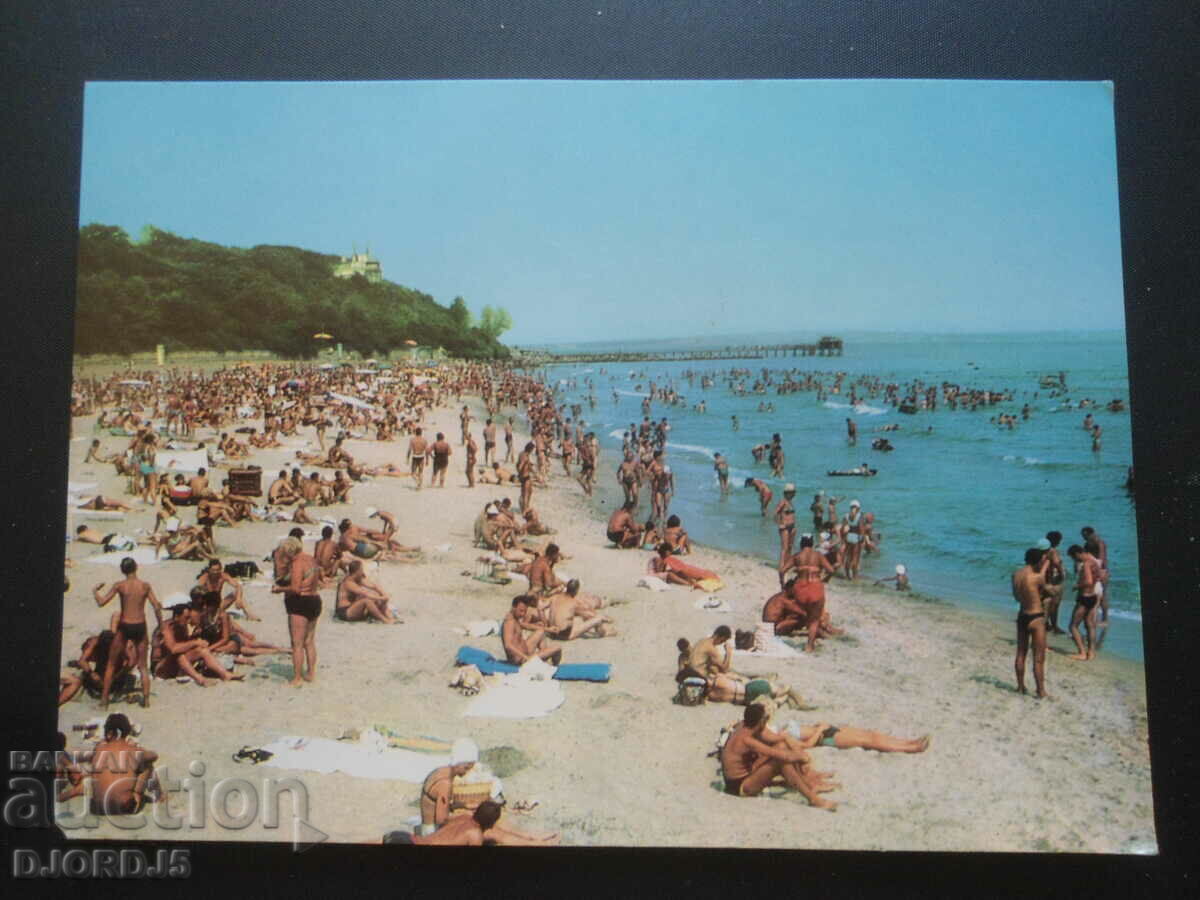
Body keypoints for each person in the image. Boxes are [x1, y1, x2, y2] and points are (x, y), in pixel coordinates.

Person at [718, 703, 836, 810]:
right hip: (740, 786)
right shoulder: (747, 740)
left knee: (781, 746)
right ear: (761, 722)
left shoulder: (744, 725)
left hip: (746, 773)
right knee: (781, 762)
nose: (768, 720)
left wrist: (786, 740)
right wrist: (802, 757)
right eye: (766, 718)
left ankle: (809, 784)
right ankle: (813, 799)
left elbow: (774, 739)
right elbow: (780, 756)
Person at [93, 558, 163, 708]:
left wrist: (95, 591)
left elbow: (101, 602)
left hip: (125, 625)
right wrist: (161, 624)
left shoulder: (120, 586)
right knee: (143, 666)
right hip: (140, 625)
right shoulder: (145, 586)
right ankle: (146, 700)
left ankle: (104, 699)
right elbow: (156, 606)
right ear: (136, 568)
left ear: (123, 570)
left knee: (111, 663)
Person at [76, 714, 160, 816]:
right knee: (147, 765)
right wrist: (137, 747)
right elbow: (154, 756)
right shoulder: (132, 750)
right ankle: (157, 796)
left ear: (109, 733)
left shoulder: (99, 748)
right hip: (123, 808)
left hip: (97, 808)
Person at [383, 799, 557, 846]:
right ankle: (535, 840)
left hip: (404, 837)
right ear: (491, 822)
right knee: (494, 834)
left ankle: (534, 838)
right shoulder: (475, 835)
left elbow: (444, 820)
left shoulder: (464, 817)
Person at [271, 536, 321, 686]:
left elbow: (295, 588)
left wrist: (279, 589)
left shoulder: (297, 563)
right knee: (309, 641)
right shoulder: (311, 559)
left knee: (297, 643)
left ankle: (297, 677)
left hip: (300, 603)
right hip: (315, 600)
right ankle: (311, 673)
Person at [1012, 547, 1051, 698]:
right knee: (1039, 658)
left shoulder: (1016, 575)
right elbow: (1048, 591)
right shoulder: (1037, 577)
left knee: (1021, 653)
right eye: (1042, 560)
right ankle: (1040, 691)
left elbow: (1017, 597)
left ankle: (1020, 687)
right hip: (1036, 616)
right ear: (1037, 560)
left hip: (1022, 615)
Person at [501, 595, 562, 665]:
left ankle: (542, 661)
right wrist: (526, 657)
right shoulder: (509, 622)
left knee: (541, 632)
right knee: (558, 648)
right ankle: (554, 667)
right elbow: (508, 645)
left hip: (526, 651)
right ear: (513, 607)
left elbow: (526, 626)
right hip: (521, 660)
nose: (523, 614)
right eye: (521, 611)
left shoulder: (514, 618)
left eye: (525, 611)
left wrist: (548, 629)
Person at [335, 560, 400, 623]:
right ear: (357, 571)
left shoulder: (357, 579)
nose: (363, 572)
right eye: (362, 570)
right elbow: (366, 594)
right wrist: (382, 598)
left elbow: (374, 586)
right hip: (345, 612)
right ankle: (385, 620)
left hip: (353, 608)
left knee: (376, 597)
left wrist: (384, 594)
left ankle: (389, 617)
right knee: (367, 601)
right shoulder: (348, 583)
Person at [1066, 544, 1101, 661]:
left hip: (1085, 597)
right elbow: (1098, 577)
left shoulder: (1086, 564)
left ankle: (1082, 652)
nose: (1074, 560)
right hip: (1094, 596)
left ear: (1077, 554)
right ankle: (1091, 652)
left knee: (1073, 626)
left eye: (1073, 558)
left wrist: (1077, 586)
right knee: (1090, 625)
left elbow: (1089, 581)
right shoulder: (1094, 562)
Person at [1081, 526, 1110, 625]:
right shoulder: (1087, 544)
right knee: (1093, 595)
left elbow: (1101, 559)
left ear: (1091, 534)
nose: (1084, 538)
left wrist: (1100, 572)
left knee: (1102, 596)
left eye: (1085, 536)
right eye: (1083, 536)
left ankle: (1105, 619)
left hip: (1102, 571)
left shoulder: (1100, 543)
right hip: (1093, 571)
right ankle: (1093, 618)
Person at [1042, 532, 1066, 633]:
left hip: (1046, 579)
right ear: (1057, 541)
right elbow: (1056, 563)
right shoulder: (1053, 551)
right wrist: (1062, 573)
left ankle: (1047, 623)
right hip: (1054, 580)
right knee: (1055, 604)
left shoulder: (1044, 550)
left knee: (1046, 603)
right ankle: (1055, 626)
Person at [841, 500, 866, 580]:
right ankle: (855, 576)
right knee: (856, 558)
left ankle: (847, 575)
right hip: (856, 538)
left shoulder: (846, 516)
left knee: (848, 557)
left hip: (848, 537)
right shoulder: (860, 516)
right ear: (858, 508)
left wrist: (844, 539)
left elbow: (843, 529)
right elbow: (861, 530)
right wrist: (862, 540)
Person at [774, 484, 797, 568]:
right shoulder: (783, 501)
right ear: (787, 493)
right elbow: (775, 513)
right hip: (785, 528)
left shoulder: (790, 502)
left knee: (790, 547)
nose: (794, 494)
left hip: (792, 526)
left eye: (794, 492)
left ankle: (787, 565)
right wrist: (780, 524)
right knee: (785, 548)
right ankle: (781, 565)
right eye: (792, 492)